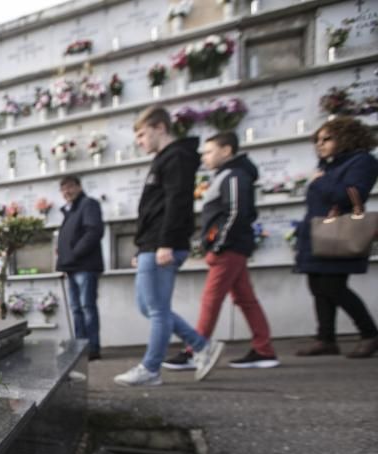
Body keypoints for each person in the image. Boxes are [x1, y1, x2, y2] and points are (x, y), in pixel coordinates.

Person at [114, 106, 224, 387]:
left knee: (158, 309)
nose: (139, 141)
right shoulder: (165, 158)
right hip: (152, 244)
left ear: (159, 128)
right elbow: (156, 207)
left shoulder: (177, 156)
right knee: (148, 306)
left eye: (142, 134)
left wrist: (165, 243)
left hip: (163, 243)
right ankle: (201, 346)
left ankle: (151, 368)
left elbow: (177, 203)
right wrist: (142, 248)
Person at [163, 132, 279, 371]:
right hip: (231, 247)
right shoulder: (228, 175)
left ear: (226, 151)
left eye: (209, 151)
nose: (204, 156)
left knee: (211, 299)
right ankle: (264, 350)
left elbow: (235, 212)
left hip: (228, 249)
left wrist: (217, 245)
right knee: (245, 299)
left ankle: (196, 350)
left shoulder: (234, 175)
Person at [293, 116, 378, 358]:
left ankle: (370, 334)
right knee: (318, 287)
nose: (320, 144)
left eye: (327, 139)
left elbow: (351, 195)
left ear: (345, 138)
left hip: (338, 234)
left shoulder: (362, 161)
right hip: (319, 234)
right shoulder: (329, 165)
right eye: (317, 140)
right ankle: (326, 339)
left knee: (334, 287)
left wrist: (321, 181)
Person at [55, 175, 104, 360]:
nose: (66, 192)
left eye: (69, 187)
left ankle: (92, 347)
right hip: (72, 267)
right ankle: (81, 346)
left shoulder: (88, 204)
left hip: (85, 266)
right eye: (63, 189)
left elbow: (94, 231)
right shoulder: (70, 211)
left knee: (87, 307)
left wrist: (74, 253)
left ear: (79, 187)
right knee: (76, 308)